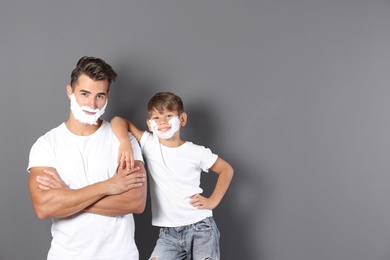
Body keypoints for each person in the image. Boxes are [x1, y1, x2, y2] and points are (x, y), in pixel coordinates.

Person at [27, 56, 147, 260]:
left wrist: (68, 196)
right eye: (84, 93)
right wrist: (109, 186)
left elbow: (135, 201)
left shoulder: (123, 140)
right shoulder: (46, 145)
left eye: (100, 96)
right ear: (69, 91)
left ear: (107, 95)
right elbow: (44, 207)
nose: (92, 104)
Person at [111, 91, 234, 260]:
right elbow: (118, 120)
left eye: (169, 115)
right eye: (156, 118)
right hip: (168, 234)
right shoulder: (150, 144)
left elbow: (227, 170)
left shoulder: (196, 152)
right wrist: (125, 141)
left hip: (200, 228)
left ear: (182, 119)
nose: (162, 122)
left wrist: (213, 201)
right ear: (149, 124)